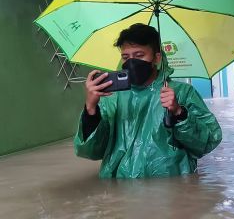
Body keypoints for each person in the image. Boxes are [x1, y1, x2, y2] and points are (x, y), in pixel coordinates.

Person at [73, 23, 222, 179]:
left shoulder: (182, 93)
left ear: (156, 58)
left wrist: (179, 113)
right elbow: (90, 151)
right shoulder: (112, 97)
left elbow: (208, 142)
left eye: (139, 55)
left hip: (170, 190)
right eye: (125, 57)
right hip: (121, 190)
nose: (131, 62)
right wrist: (91, 109)